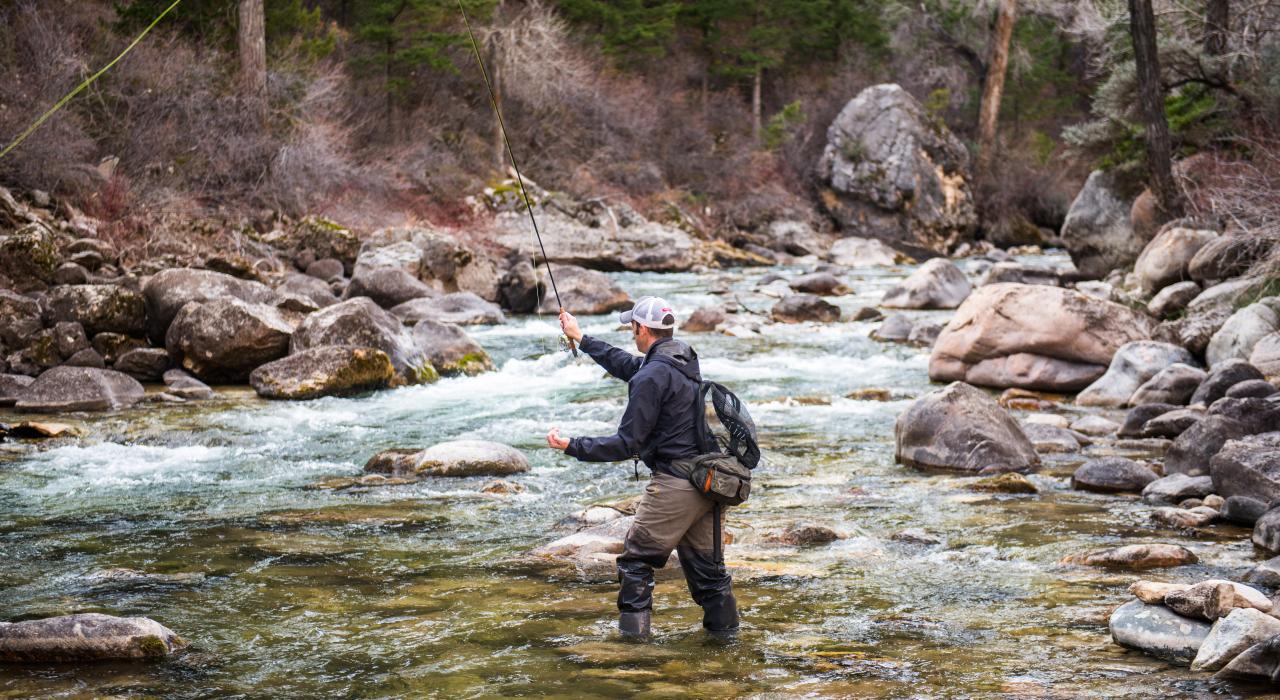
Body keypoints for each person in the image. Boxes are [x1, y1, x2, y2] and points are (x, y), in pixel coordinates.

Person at [546, 296, 738, 639]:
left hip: (675, 487)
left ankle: (634, 655)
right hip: (709, 483)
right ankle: (728, 649)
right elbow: (629, 365)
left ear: (643, 329)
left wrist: (573, 446)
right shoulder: (682, 361)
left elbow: (627, 443)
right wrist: (582, 338)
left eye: (632, 327)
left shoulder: (652, 375)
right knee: (710, 577)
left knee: (636, 565)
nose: (631, 333)